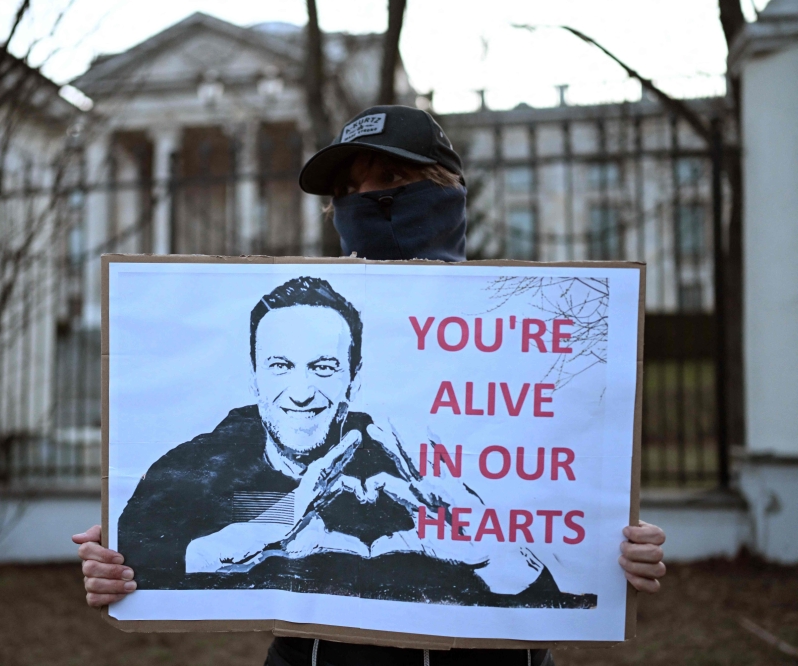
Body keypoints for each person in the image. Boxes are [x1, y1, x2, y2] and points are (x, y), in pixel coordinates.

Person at [75, 106, 667, 666]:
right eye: (347, 191)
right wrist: (130, 562)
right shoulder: (223, 452)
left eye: (390, 179)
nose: (365, 200)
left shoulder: (526, 352)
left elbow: (572, 533)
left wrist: (613, 554)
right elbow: (149, 549)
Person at [114, 275, 593, 609]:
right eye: (280, 366)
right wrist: (249, 535)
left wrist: (491, 556)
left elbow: (552, 613)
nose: (301, 392)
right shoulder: (198, 467)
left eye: (323, 367)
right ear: (254, 376)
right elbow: (135, 564)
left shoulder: (412, 474)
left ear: (353, 378)